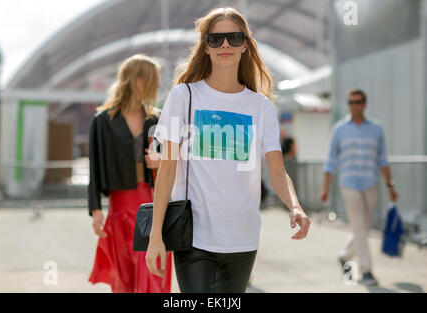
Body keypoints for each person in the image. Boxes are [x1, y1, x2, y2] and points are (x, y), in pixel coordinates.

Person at [146, 7, 311, 293]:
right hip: (194, 236)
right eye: (216, 39)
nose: (225, 45)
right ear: (206, 47)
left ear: (245, 45)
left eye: (234, 38)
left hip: (243, 238)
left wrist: (295, 206)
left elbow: (277, 172)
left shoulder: (261, 107)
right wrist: (155, 235)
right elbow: (168, 170)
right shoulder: (184, 96)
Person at [87, 54, 173, 293]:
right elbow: (95, 166)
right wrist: (95, 210)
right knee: (123, 278)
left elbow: (172, 159)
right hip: (120, 206)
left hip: (152, 201)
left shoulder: (157, 118)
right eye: (153, 79)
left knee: (153, 272)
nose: (157, 85)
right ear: (137, 80)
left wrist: (160, 161)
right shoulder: (103, 121)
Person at [321, 88, 398, 286]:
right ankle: (366, 271)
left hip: (370, 184)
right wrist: (325, 188)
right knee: (359, 227)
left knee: (363, 227)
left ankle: (345, 254)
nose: (353, 105)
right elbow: (331, 161)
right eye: (350, 102)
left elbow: (383, 160)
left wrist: (390, 185)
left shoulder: (376, 129)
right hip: (349, 185)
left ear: (364, 104)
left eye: (357, 102)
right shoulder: (339, 129)